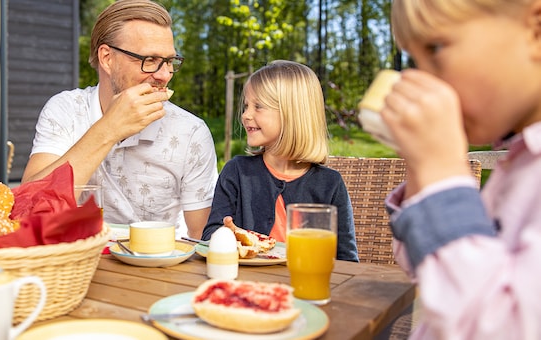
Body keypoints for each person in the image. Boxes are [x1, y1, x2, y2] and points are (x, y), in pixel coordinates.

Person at [382, 0, 541, 338]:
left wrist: (441, 174)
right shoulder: (521, 160)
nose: (423, 80)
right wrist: (422, 169)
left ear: (536, 29)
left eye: (435, 48)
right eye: (414, 60)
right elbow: (429, 269)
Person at [22, 0, 218, 239]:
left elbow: (203, 239)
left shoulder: (191, 132)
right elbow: (28, 211)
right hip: (74, 267)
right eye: (150, 60)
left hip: (156, 270)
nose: (164, 75)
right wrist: (109, 128)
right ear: (107, 58)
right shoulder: (65, 110)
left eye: (169, 61)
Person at [201, 60, 359, 262]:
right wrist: (230, 236)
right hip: (246, 286)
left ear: (292, 114)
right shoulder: (237, 171)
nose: (245, 115)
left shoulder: (329, 184)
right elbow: (209, 238)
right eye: (247, 106)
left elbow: (346, 260)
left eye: (258, 106)